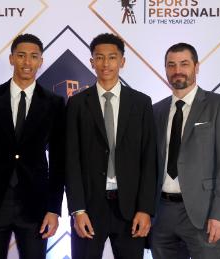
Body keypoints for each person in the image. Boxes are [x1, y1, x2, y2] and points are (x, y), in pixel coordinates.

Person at [0, 34, 65, 259]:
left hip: (35, 205)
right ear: (11, 59)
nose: (27, 62)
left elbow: (59, 161)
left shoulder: (54, 103)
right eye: (21, 56)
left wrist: (53, 209)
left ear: (41, 61)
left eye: (33, 57)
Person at [65, 33, 157, 259]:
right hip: (89, 207)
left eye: (112, 58)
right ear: (91, 62)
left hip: (130, 209)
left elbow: (149, 159)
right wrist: (78, 209)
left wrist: (145, 209)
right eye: (99, 58)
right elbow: (71, 161)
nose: (106, 64)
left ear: (122, 61)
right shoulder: (77, 103)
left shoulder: (141, 103)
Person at [151, 42, 220, 259]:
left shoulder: (219, 105)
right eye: (171, 65)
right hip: (161, 214)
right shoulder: (156, 110)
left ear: (196, 67)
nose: (177, 70)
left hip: (204, 214)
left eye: (184, 64)